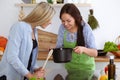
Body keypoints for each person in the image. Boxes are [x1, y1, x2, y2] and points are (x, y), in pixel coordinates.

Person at [0, 2, 55, 80]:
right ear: (42, 16)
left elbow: (30, 57)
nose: (51, 22)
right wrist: (30, 76)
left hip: (23, 76)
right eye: (49, 18)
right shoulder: (19, 27)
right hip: (9, 76)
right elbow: (12, 57)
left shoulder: (34, 30)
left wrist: (35, 68)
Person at [56, 3, 98, 80]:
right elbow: (59, 47)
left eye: (68, 21)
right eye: (63, 21)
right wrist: (55, 51)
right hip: (70, 70)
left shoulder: (85, 28)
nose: (65, 24)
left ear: (76, 18)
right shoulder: (62, 28)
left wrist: (83, 49)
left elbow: (95, 53)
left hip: (87, 71)